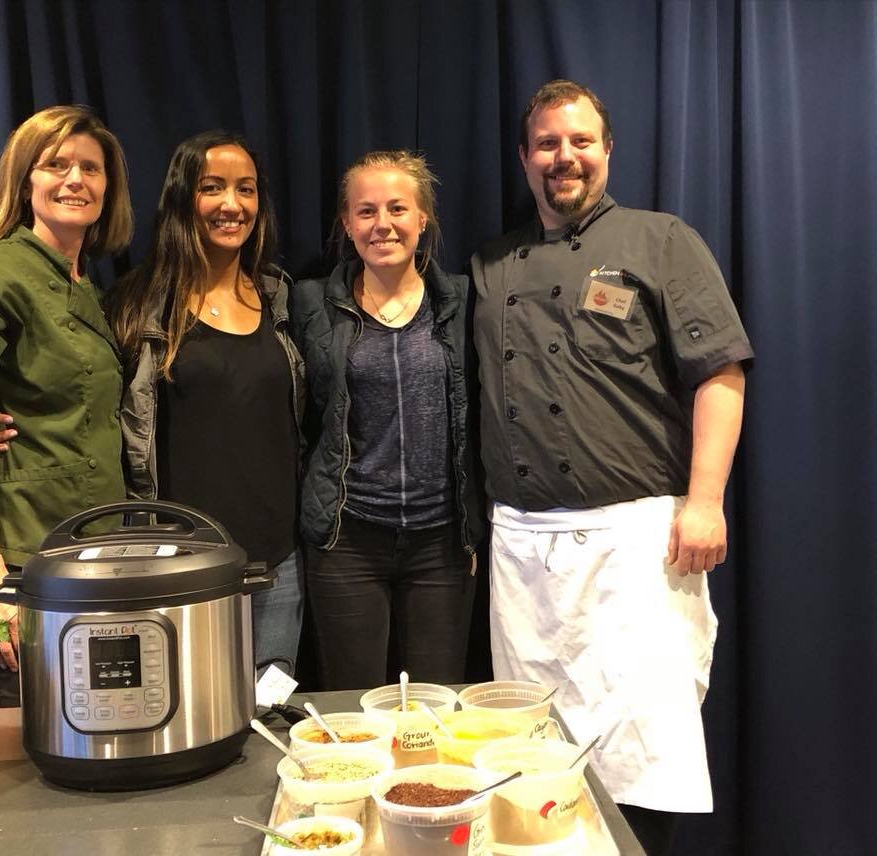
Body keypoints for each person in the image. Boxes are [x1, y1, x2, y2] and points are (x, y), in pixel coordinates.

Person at [470, 80, 753, 855]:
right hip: (522, 548)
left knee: (641, 752)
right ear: (525, 158)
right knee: (534, 761)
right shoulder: (491, 264)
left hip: (636, 543)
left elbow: (721, 374)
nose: (565, 157)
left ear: (607, 149)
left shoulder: (662, 240)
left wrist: (705, 502)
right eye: (549, 144)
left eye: (580, 141)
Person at [0, 105, 133, 706]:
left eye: (91, 168)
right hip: (19, 559)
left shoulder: (83, 285)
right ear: (24, 179)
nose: (75, 180)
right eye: (56, 164)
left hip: (91, 551)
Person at [108, 131, 305, 676]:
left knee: (269, 722)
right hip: (181, 565)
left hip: (277, 563)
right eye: (211, 187)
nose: (231, 205)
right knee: (191, 725)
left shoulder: (278, 297)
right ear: (181, 198)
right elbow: (88, 410)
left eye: (245, 189)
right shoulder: (137, 304)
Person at [290, 150, 484, 691]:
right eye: (366, 211)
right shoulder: (310, 303)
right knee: (353, 710)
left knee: (435, 707)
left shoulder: (466, 300)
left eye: (397, 208)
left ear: (423, 219)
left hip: (442, 544)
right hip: (346, 539)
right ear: (347, 224)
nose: (382, 225)